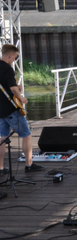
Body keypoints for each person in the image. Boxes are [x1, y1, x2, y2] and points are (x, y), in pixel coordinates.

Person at [0, 44, 44, 174]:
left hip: (0, 110)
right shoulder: (8, 68)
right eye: (14, 57)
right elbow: (13, 89)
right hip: (11, 109)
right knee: (27, 135)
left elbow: (7, 87)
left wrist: (14, 88)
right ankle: (29, 165)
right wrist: (22, 98)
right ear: (10, 55)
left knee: (2, 137)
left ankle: (1, 167)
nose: (14, 60)